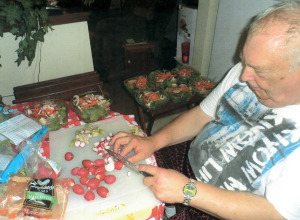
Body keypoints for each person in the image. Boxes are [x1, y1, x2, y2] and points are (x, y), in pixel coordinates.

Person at [110, 1, 300, 219]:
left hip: (220, 210)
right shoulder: (245, 71)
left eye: (260, 71)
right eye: (244, 61)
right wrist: (153, 141)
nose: (244, 75)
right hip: (188, 160)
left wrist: (187, 192)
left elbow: (276, 213)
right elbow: (203, 114)